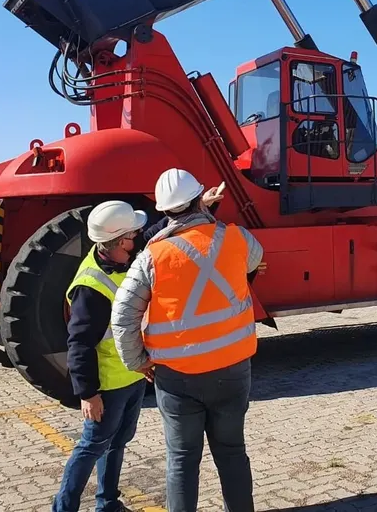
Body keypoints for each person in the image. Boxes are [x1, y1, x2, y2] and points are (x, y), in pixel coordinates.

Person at [111, 169, 264, 512]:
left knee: (181, 460)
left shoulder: (152, 256)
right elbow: (253, 260)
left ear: (164, 211)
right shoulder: (237, 238)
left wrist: (139, 362)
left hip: (177, 378)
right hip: (233, 369)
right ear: (199, 199)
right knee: (232, 452)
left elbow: (122, 316)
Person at [52, 200, 150, 512]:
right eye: (132, 237)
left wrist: (198, 208)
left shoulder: (120, 257)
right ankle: (63, 508)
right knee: (91, 446)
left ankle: (107, 503)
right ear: (119, 241)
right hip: (108, 386)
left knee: (117, 443)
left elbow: (156, 236)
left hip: (133, 375)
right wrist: (88, 393)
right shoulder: (90, 287)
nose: (137, 241)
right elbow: (79, 344)